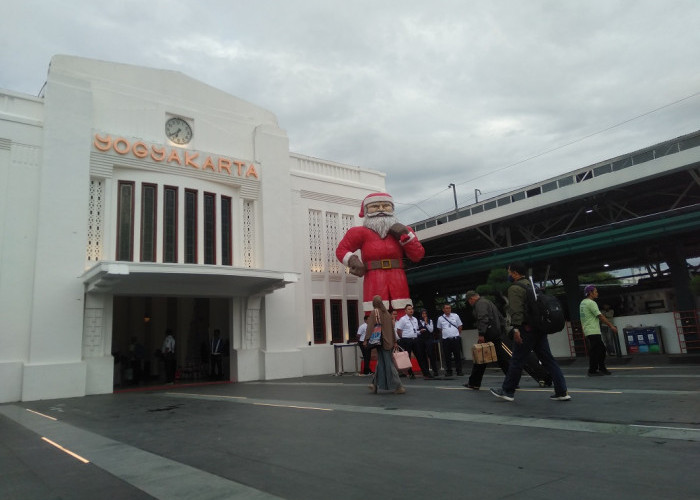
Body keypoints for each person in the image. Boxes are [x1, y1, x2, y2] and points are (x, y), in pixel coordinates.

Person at [490, 262, 571, 402]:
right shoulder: (532, 285)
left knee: (516, 360)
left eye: (509, 272)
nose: (508, 274)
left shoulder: (515, 288)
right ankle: (562, 391)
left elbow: (516, 311)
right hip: (539, 329)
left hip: (525, 330)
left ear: (515, 273)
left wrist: (515, 329)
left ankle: (507, 391)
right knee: (548, 360)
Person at [335, 192, 425, 315]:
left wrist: (407, 238)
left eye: (386, 205)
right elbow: (341, 250)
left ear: (392, 208)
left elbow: (417, 255)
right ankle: (377, 333)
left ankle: (403, 333)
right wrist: (353, 261)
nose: (381, 209)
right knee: (375, 312)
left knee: (402, 310)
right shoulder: (359, 232)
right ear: (366, 210)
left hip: (398, 277)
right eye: (375, 206)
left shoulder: (405, 230)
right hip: (373, 278)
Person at [464, 291, 510, 390]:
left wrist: (481, 334)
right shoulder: (488, 302)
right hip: (496, 333)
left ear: (471, 299)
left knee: (480, 357)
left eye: (469, 301)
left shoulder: (480, 304)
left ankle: (474, 383)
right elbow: (500, 317)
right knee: (501, 358)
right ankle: (512, 380)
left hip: (488, 334)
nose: (469, 303)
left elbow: (483, 318)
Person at [364, 295, 405, 394]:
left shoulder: (375, 312)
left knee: (388, 364)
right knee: (381, 363)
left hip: (380, 341)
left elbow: (370, 327)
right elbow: (392, 329)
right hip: (388, 342)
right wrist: (394, 341)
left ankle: (399, 386)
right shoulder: (387, 313)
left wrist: (366, 339)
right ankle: (374, 385)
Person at [581, 286, 617, 376]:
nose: (597, 293)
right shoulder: (591, 303)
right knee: (598, 350)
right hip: (593, 330)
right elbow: (600, 316)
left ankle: (600, 368)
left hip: (588, 330)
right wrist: (611, 326)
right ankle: (593, 370)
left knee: (599, 350)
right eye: (595, 291)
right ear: (590, 293)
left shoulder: (582, 303)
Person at [436, 303, 463, 377]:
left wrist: (457, 334)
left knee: (457, 355)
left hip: (455, 338)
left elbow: (460, 326)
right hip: (446, 340)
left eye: (449, 308)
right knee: (447, 356)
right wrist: (446, 333)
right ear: (443, 309)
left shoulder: (455, 316)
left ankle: (459, 371)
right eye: (446, 308)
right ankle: (449, 371)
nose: (448, 309)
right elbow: (440, 329)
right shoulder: (440, 318)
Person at [396, 304, 422, 379]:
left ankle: (425, 371)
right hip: (406, 340)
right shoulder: (403, 319)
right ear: (405, 311)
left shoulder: (415, 319)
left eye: (412, 309)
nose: (411, 310)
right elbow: (398, 330)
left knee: (419, 355)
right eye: (409, 309)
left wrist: (419, 332)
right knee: (408, 357)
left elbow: (415, 330)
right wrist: (403, 338)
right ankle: (410, 373)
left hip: (415, 339)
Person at [416, 309, 439, 378]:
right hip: (421, 340)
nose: (424, 315)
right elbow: (415, 331)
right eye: (423, 314)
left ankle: (435, 371)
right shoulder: (417, 321)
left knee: (431, 355)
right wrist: (420, 331)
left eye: (425, 314)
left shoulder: (430, 321)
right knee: (423, 356)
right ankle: (426, 372)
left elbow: (431, 330)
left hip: (429, 339)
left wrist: (426, 323)